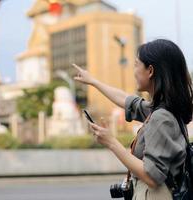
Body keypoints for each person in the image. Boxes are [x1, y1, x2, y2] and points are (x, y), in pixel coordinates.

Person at [72, 39, 192, 199]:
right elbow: (126, 100)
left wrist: (111, 142)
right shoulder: (163, 110)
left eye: (136, 65)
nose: (134, 71)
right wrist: (93, 82)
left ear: (150, 71)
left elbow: (152, 176)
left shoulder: (162, 118)